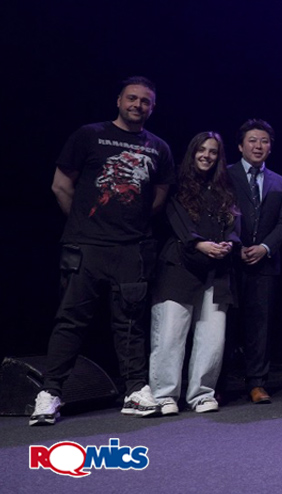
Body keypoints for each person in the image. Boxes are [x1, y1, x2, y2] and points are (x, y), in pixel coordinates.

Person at [32, 76, 175, 426]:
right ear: (119, 100)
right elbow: (60, 185)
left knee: (130, 322)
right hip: (86, 247)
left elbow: (158, 197)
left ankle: (135, 390)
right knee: (71, 320)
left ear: (152, 108)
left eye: (145, 101)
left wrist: (129, 226)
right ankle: (50, 393)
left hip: (132, 248)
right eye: (132, 98)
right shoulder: (89, 135)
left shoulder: (159, 147)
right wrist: (85, 225)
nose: (137, 105)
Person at [149, 132, 240, 415]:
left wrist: (229, 243)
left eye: (213, 151)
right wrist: (199, 244)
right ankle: (164, 395)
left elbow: (234, 223)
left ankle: (201, 394)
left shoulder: (225, 187)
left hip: (217, 270)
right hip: (179, 266)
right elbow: (176, 220)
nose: (207, 156)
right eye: (202, 150)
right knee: (170, 334)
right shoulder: (177, 183)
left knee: (212, 338)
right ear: (192, 152)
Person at [226, 119, 282, 405]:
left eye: (264, 141)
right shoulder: (225, 175)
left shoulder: (280, 181)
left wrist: (265, 248)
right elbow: (218, 214)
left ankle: (257, 383)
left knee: (259, 326)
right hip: (229, 261)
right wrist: (236, 246)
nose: (258, 146)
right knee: (225, 324)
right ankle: (219, 382)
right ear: (241, 146)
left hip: (265, 263)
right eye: (252, 140)